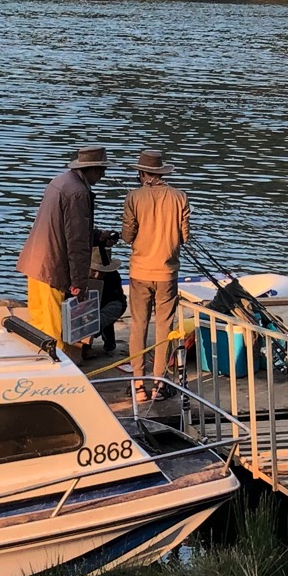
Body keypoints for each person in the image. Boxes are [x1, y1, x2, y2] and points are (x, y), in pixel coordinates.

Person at [116, 149, 189, 397]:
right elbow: (185, 237)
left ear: (141, 173)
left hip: (140, 271)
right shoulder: (180, 197)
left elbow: (127, 236)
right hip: (167, 272)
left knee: (138, 326)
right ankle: (159, 384)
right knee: (164, 327)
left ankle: (138, 385)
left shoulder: (133, 197)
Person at [16, 147, 104, 354]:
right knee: (53, 330)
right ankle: (58, 374)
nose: (103, 175)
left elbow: (61, 227)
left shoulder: (60, 181)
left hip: (36, 262)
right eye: (101, 170)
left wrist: (97, 236)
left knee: (38, 322)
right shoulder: (79, 193)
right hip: (51, 268)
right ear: (90, 169)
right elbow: (76, 242)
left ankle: (38, 367)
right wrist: (79, 284)